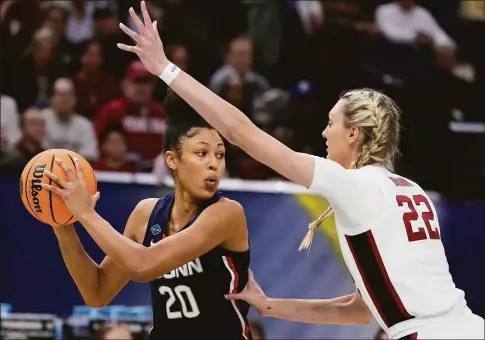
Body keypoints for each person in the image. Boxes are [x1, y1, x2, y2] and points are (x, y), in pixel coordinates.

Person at [115, 2, 485, 339]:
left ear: (354, 133)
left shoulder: (354, 185)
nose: (324, 133)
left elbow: (239, 132)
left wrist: (165, 69)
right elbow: (359, 310)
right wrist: (269, 304)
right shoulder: (413, 191)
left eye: (331, 124)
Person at [42, 91, 252, 340]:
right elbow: (96, 293)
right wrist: (61, 220)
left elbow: (143, 266)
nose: (214, 163)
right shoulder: (146, 214)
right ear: (172, 160)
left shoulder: (227, 213)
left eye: (220, 154)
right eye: (201, 153)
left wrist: (86, 213)